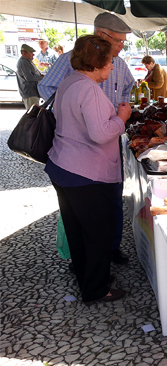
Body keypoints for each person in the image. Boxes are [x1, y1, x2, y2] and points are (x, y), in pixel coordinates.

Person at [39, 12, 134, 265]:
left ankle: (109, 249)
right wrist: (73, 117)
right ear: (102, 36)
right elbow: (46, 88)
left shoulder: (120, 65)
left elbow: (128, 88)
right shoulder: (70, 64)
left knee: (112, 197)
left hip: (106, 144)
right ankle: (88, 261)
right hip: (82, 152)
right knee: (87, 212)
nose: (122, 47)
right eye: (120, 41)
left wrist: (116, 112)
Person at [16, 44, 43, 110]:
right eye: (31, 52)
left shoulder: (27, 61)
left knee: (35, 113)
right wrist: (42, 77)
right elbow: (29, 77)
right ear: (24, 53)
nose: (33, 54)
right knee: (33, 115)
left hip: (32, 92)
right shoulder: (23, 62)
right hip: (30, 93)